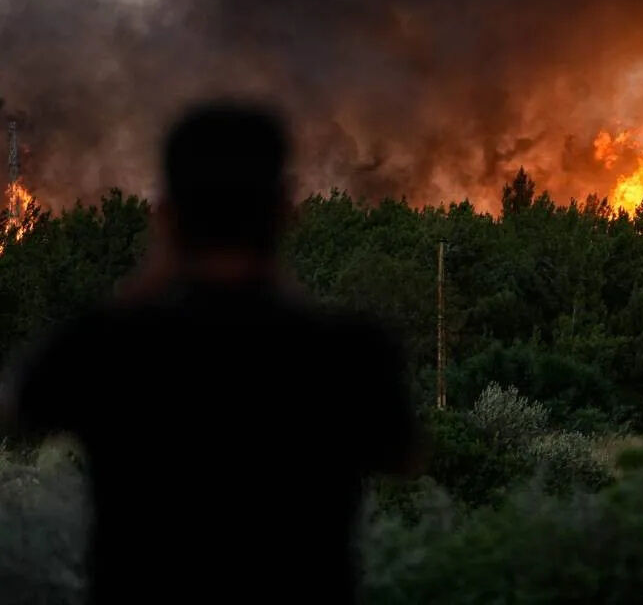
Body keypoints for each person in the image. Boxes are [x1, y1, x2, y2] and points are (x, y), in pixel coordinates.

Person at [0, 100, 420, 603]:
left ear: (167, 218)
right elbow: (405, 455)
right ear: (287, 212)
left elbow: (17, 406)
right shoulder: (350, 352)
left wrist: (141, 284)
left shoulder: (107, 347)